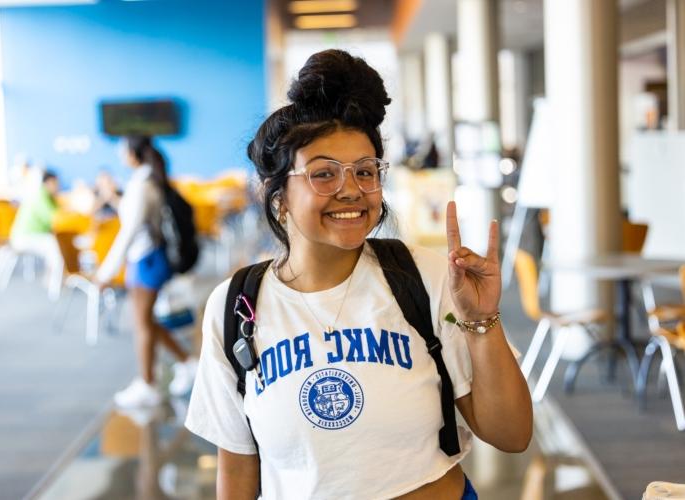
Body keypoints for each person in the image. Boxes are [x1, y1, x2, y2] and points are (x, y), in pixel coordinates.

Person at [185, 50, 532, 499]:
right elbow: (235, 473)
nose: (350, 189)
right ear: (278, 196)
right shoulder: (236, 306)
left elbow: (512, 435)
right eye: (323, 173)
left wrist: (483, 323)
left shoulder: (424, 277)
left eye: (365, 171)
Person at [95, 136, 198, 408]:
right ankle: (187, 362)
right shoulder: (145, 181)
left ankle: (148, 385)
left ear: (132, 154)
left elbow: (130, 230)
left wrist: (106, 272)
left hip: (146, 260)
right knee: (147, 320)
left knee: (141, 324)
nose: (120, 155)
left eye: (122, 150)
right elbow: (135, 219)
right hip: (146, 258)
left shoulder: (142, 185)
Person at [10, 170, 63, 300]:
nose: (58, 186)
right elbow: (54, 219)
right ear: (49, 182)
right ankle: (54, 285)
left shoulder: (45, 196)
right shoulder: (40, 196)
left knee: (54, 244)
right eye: (56, 183)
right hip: (24, 238)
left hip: (31, 236)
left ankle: (51, 278)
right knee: (57, 246)